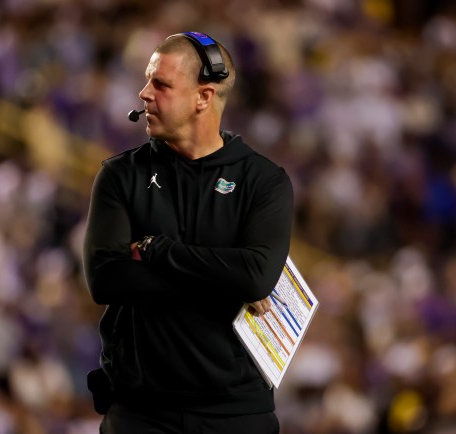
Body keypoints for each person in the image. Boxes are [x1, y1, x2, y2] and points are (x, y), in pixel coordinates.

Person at [83, 31, 293, 434]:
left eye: (161, 84)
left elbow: (256, 275)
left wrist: (156, 250)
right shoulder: (120, 175)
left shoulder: (264, 181)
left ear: (204, 96)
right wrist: (225, 279)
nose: (144, 93)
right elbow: (106, 279)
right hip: (141, 411)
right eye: (147, 80)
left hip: (236, 412)